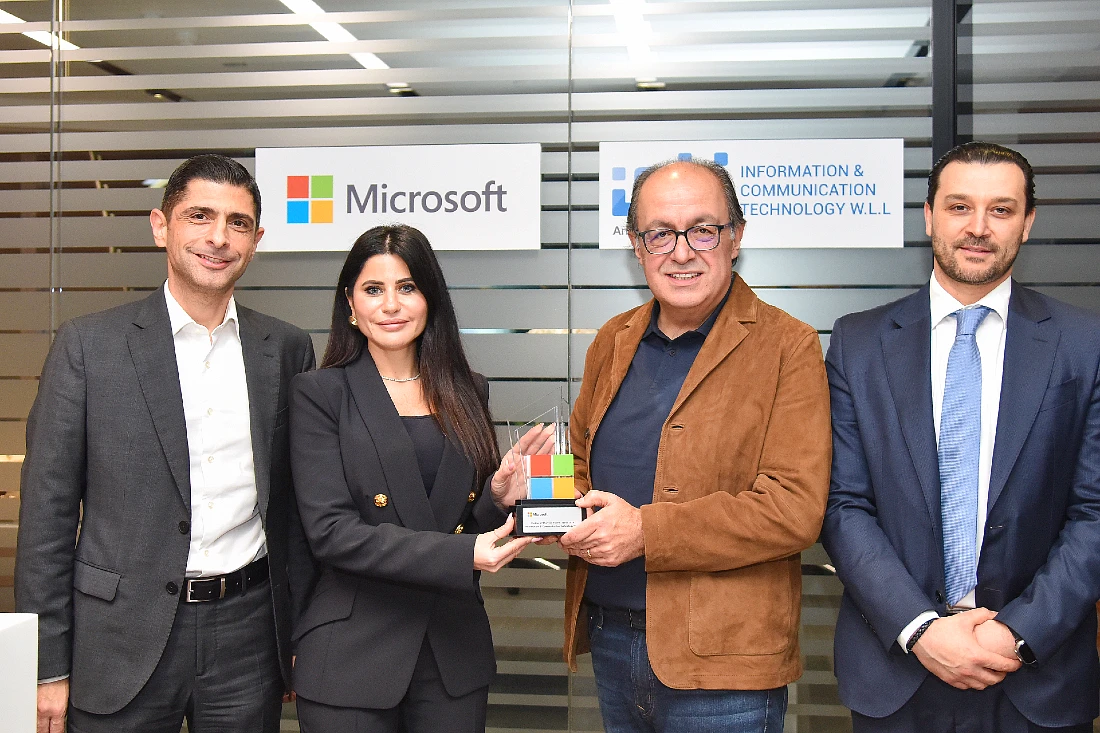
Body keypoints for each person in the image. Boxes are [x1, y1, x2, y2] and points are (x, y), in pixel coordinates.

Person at [15, 154, 317, 733]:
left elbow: (295, 514)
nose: (217, 237)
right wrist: (46, 665)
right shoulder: (88, 346)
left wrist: (297, 633)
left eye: (237, 223)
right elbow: (46, 518)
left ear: (257, 239)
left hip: (248, 637)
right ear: (161, 226)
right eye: (199, 216)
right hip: (117, 638)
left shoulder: (285, 348)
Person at [821, 141, 1100, 731]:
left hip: (1035, 674)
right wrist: (921, 628)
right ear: (928, 217)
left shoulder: (1085, 345)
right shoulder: (858, 343)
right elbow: (843, 505)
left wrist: (1016, 632)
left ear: (1027, 224)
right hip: (897, 670)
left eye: (1001, 210)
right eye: (959, 207)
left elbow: (1095, 511)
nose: (978, 228)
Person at [558, 159, 832, 732]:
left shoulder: (789, 346)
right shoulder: (613, 339)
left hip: (725, 663)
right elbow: (580, 461)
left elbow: (793, 509)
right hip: (611, 638)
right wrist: (541, 491)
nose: (681, 252)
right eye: (660, 232)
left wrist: (645, 532)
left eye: (702, 229)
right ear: (637, 246)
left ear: (736, 237)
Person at [288, 224, 553, 733]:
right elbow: (330, 534)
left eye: (407, 287)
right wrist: (463, 554)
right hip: (351, 657)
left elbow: (459, 520)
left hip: (451, 654)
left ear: (429, 298)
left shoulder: (468, 390)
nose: (391, 305)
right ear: (351, 304)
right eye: (373, 289)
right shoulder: (319, 394)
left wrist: (497, 500)